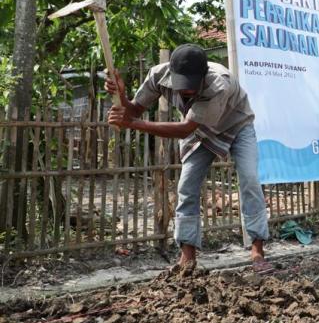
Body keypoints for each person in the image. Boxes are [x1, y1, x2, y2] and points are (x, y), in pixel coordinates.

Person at [105, 44, 271, 272]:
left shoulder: (218, 82)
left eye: (192, 87)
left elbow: (185, 128)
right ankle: (188, 258)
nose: (188, 92)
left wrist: (132, 124)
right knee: (186, 186)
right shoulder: (158, 75)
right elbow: (134, 111)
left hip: (237, 125)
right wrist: (122, 96)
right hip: (200, 129)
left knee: (250, 179)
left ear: (203, 76)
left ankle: (257, 252)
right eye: (183, 87)